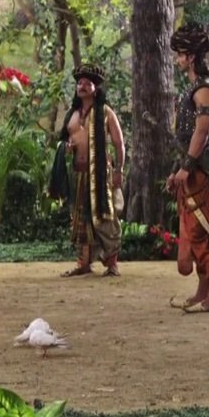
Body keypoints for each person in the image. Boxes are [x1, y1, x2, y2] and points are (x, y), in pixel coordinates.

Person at [167, 22, 209, 313]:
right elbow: (187, 136)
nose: (177, 59)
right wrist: (177, 169)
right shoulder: (194, 87)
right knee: (194, 234)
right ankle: (203, 291)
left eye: (180, 54)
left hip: (204, 170)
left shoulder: (206, 88)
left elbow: (201, 132)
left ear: (190, 57)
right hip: (192, 168)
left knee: (205, 234)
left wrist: (188, 167)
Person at [59, 63, 125, 278]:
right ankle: (83, 263)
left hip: (100, 174)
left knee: (105, 216)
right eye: (79, 83)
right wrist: (67, 148)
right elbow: (65, 141)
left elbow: (119, 144)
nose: (82, 86)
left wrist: (119, 171)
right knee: (80, 218)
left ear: (96, 88)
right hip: (78, 173)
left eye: (87, 83)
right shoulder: (72, 114)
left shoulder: (105, 112)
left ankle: (112, 264)